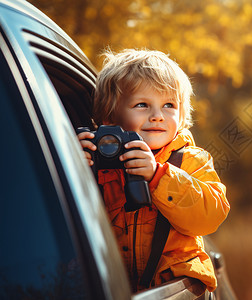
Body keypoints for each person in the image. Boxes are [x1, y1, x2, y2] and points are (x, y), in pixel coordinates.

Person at [77, 49, 230, 293]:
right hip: (116, 288)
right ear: (109, 116)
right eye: (142, 105)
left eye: (169, 105)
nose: (157, 116)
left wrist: (159, 176)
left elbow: (212, 215)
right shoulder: (99, 163)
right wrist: (77, 164)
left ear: (181, 116)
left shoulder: (190, 161)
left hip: (175, 289)